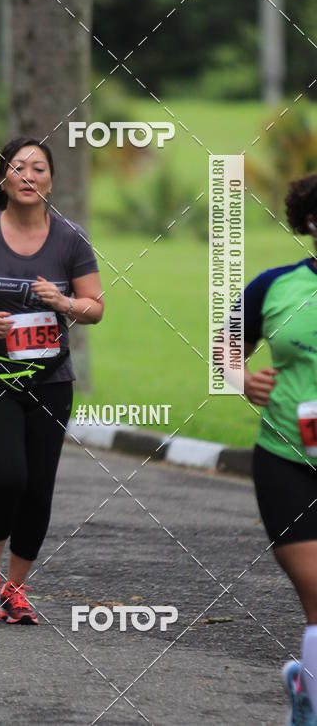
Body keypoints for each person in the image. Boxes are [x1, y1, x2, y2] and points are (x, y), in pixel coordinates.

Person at [0, 137, 104, 624]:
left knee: (38, 488)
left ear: (51, 181)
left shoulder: (70, 239)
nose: (29, 176)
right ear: (3, 178)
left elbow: (95, 306)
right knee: (8, 476)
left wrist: (63, 303)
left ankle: (16, 588)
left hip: (51, 380)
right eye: (19, 168)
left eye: (39, 169)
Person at [242, 174, 317, 725]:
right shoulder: (275, 287)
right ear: (310, 223)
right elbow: (225, 349)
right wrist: (239, 379)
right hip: (287, 461)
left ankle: (306, 683)